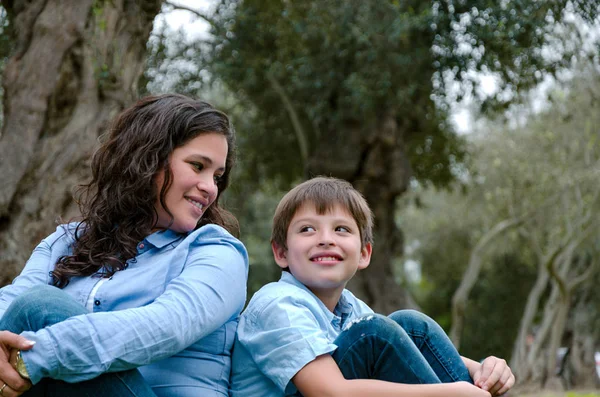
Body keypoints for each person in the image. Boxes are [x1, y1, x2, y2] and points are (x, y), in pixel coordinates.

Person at [0, 94, 249, 397]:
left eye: (217, 177)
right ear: (148, 158)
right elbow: (10, 302)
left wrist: (34, 358)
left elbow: (166, 325)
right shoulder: (66, 242)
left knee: (41, 306)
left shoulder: (217, 252)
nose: (210, 187)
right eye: (198, 166)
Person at [230, 176, 515, 397]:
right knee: (374, 333)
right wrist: (448, 393)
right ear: (281, 253)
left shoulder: (350, 308)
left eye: (341, 229)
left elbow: (405, 346)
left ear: (365, 253)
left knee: (409, 325)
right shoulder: (278, 304)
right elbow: (331, 392)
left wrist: (482, 370)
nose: (326, 239)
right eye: (307, 229)